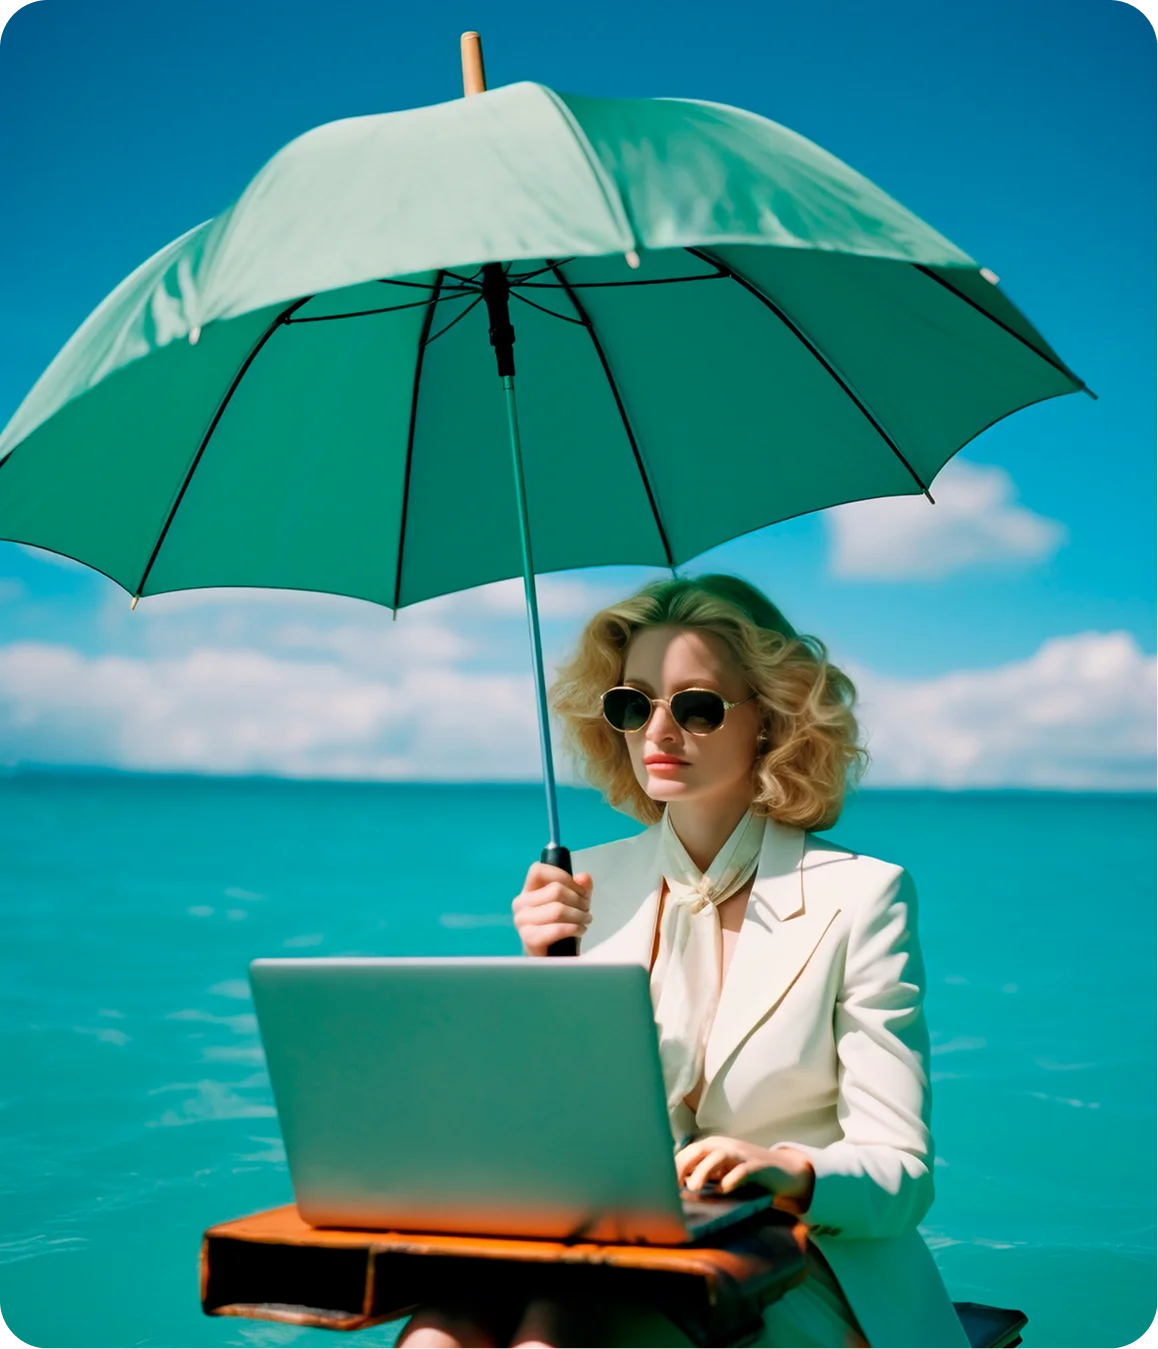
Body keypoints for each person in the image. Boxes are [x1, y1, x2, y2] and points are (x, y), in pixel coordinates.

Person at [398, 575, 970, 1349]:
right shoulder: (579, 890)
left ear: (769, 721)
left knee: (554, 1335)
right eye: (633, 703)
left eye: (696, 706)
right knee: (442, 1328)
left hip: (801, 1266)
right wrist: (544, 976)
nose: (658, 731)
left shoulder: (864, 896)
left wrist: (785, 1169)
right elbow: (558, 1143)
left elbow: (904, 1176)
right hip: (612, 1252)